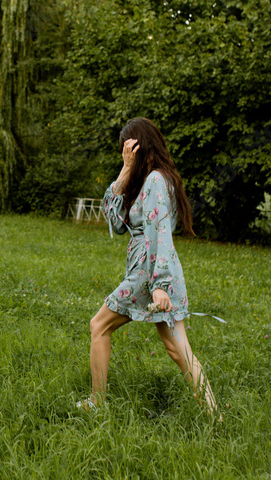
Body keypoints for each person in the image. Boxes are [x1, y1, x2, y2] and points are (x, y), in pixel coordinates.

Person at [81, 117, 218, 415]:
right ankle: (213, 414)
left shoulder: (156, 180)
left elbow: (160, 232)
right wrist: (125, 170)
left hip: (150, 272)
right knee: (178, 349)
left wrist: (160, 285)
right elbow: (116, 222)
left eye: (127, 150)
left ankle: (97, 402)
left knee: (98, 326)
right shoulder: (147, 180)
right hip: (154, 271)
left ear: (138, 147)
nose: (125, 155)